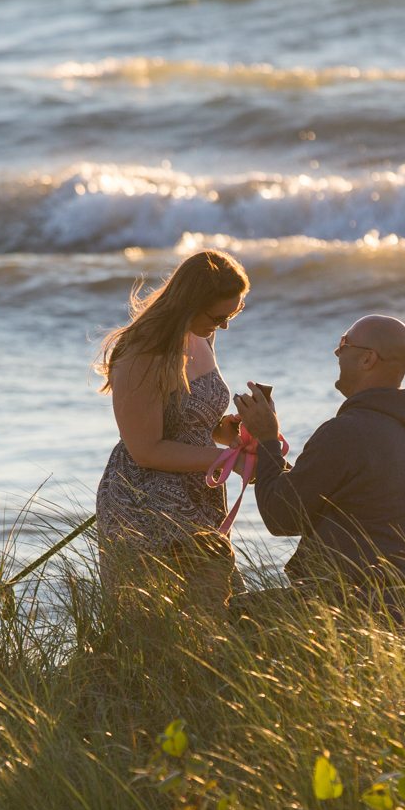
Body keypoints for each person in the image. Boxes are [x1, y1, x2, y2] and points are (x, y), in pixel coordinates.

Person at [233, 315, 405, 620]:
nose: (337, 352)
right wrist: (264, 458)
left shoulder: (347, 431)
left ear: (368, 359)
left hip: (354, 607)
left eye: (344, 343)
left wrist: (267, 439)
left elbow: (282, 517)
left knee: (228, 619)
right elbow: (325, 499)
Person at [94, 249, 251, 608]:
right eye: (219, 315)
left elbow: (186, 423)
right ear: (191, 303)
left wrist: (229, 434)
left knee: (219, 609)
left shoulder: (202, 333)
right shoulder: (143, 352)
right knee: (168, 621)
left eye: (234, 313)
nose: (224, 324)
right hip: (146, 501)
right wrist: (227, 460)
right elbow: (146, 450)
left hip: (198, 493)